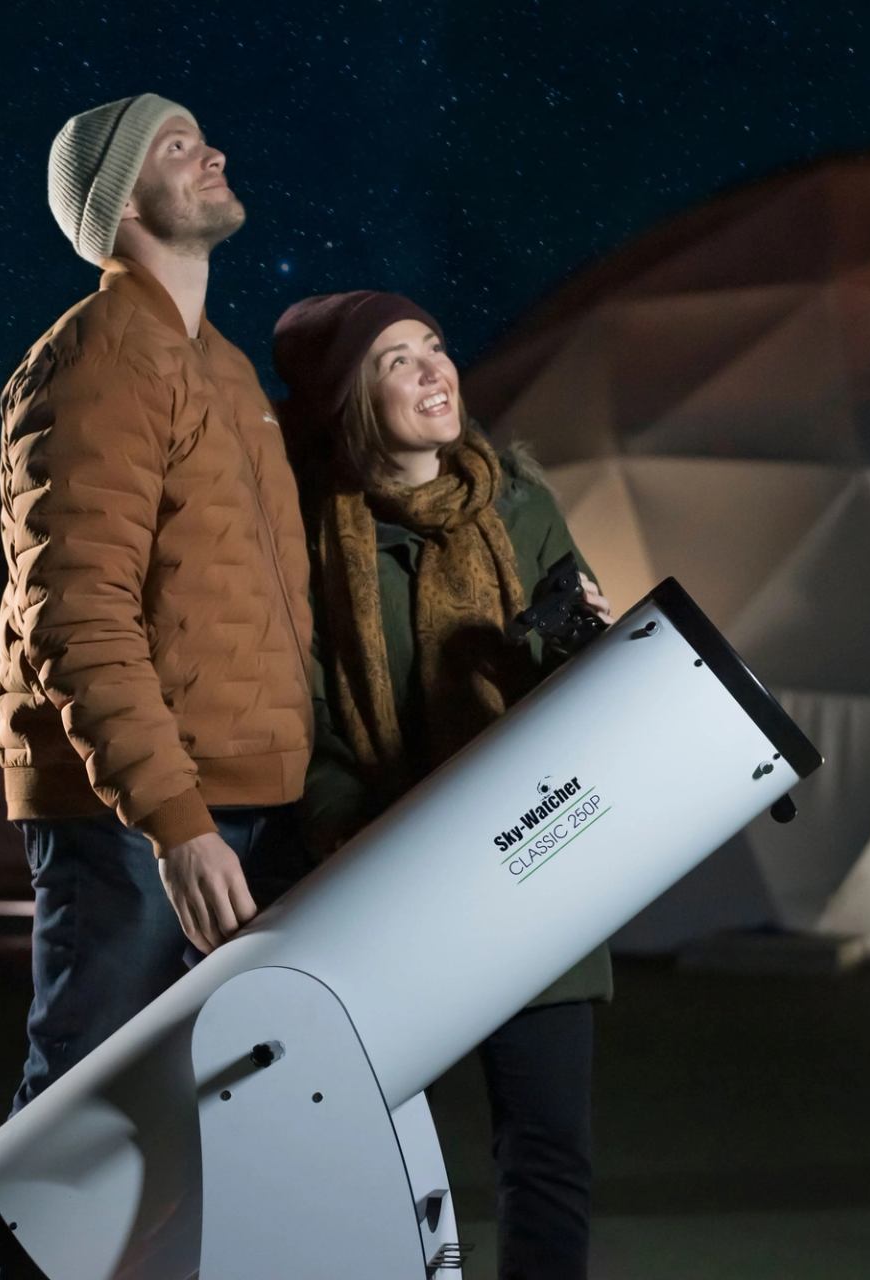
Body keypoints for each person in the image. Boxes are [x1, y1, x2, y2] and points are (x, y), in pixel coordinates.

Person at [0, 94, 312, 1274]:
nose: (213, 150)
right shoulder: (97, 359)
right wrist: (175, 820)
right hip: (136, 816)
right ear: (119, 201)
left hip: (241, 802)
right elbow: (76, 612)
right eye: (178, 145)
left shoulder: (222, 368)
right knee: (86, 1120)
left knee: (206, 1130)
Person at [272, 290, 614, 1280]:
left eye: (434, 345)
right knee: (358, 1150)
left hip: (532, 865)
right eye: (397, 359)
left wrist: (576, 646)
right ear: (351, 400)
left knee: (547, 1146)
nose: (434, 369)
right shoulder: (308, 538)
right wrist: (356, 840)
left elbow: (582, 696)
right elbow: (310, 722)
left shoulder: (522, 506)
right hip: (391, 881)